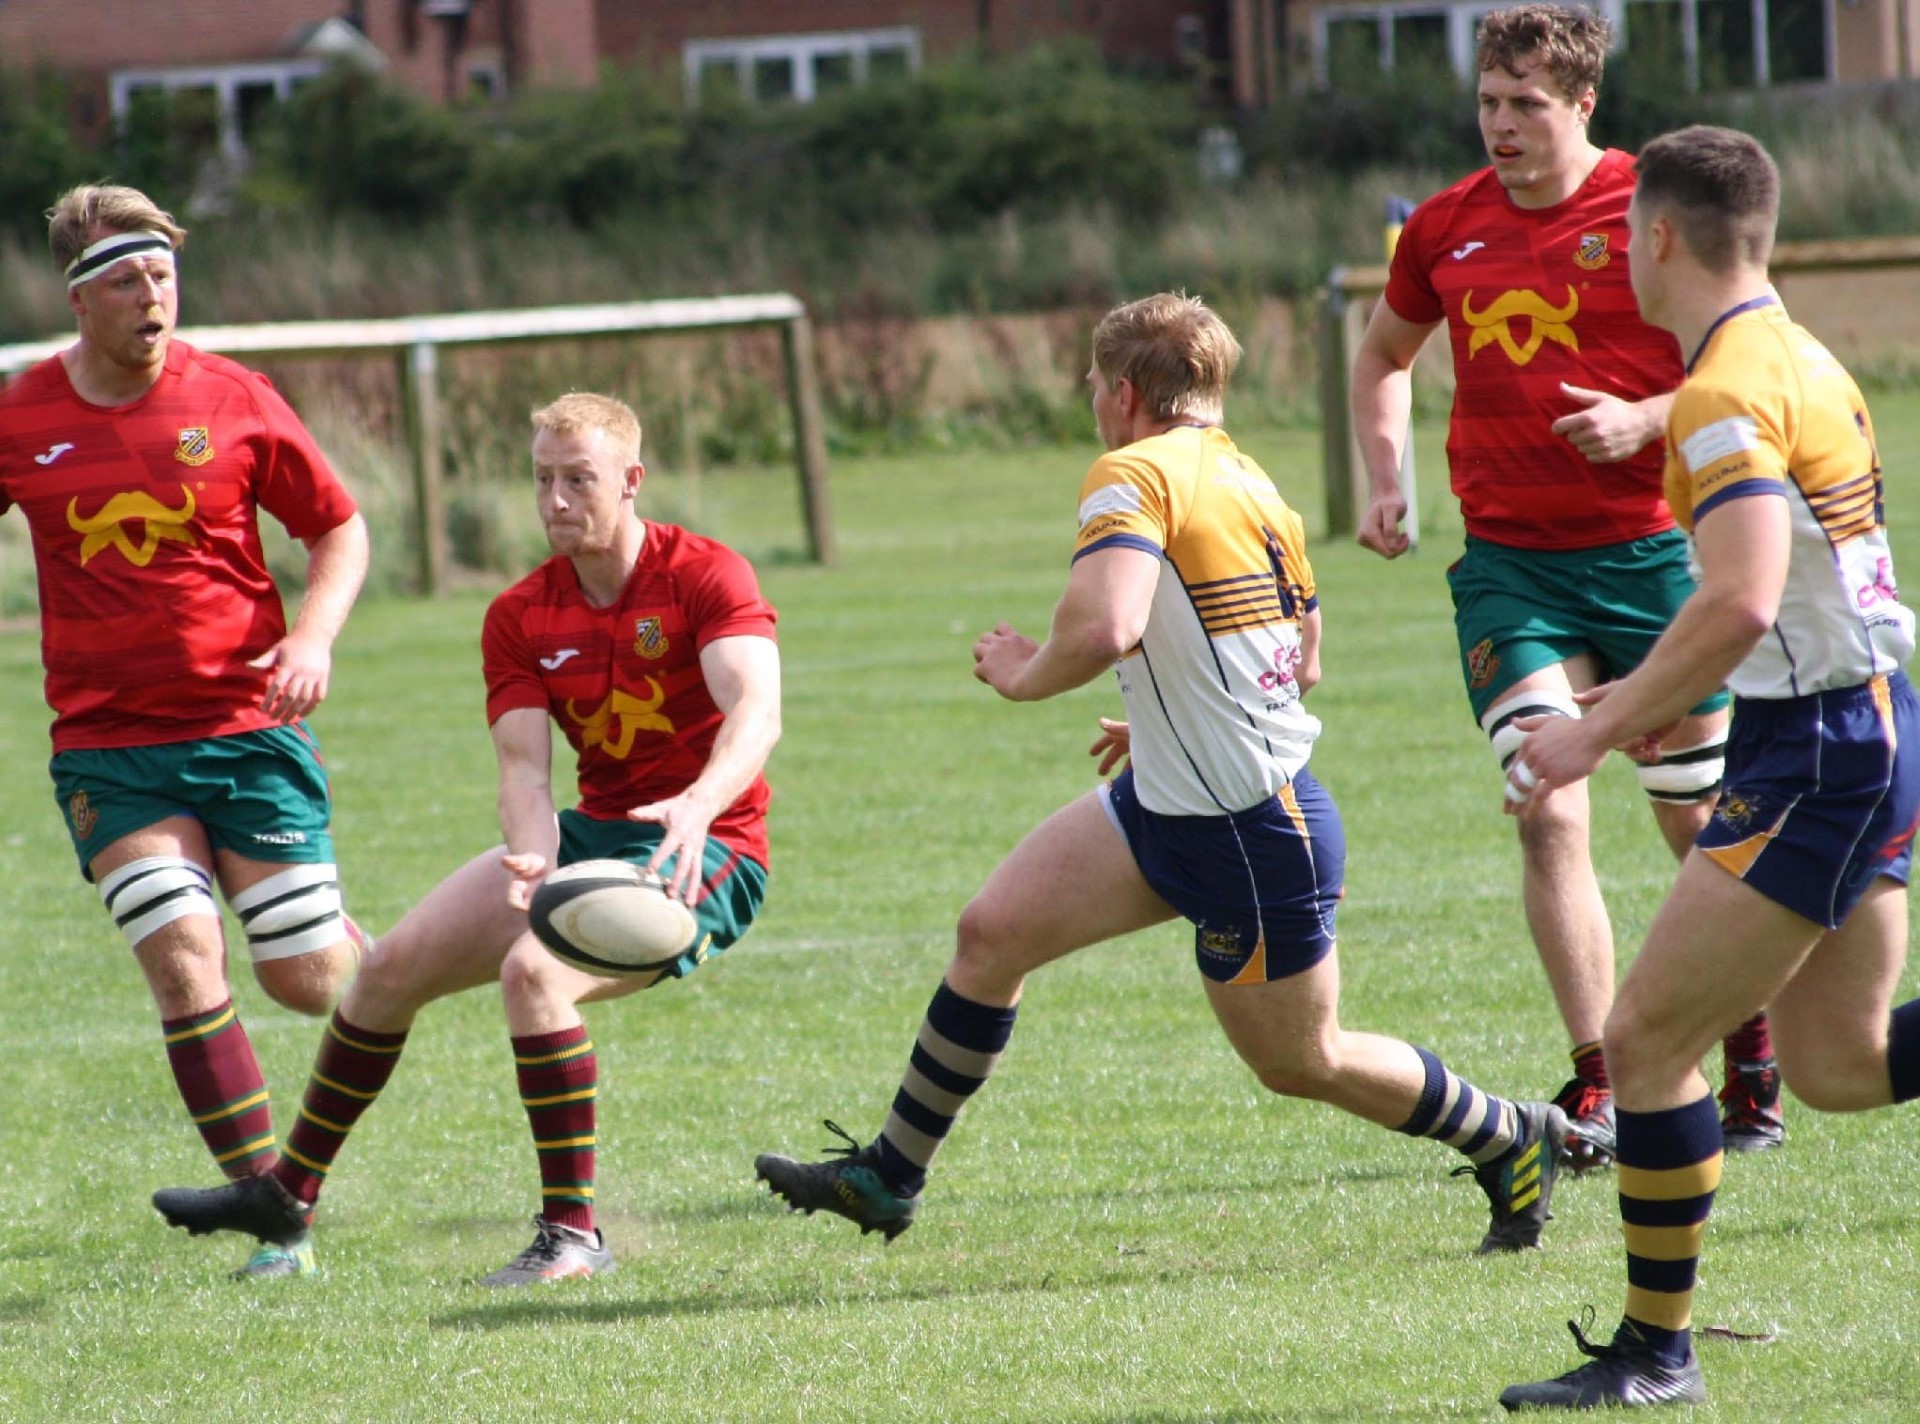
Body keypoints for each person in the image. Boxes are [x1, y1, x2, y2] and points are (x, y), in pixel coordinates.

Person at [756, 292, 1567, 1258]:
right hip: (1169, 803)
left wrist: (1023, 672)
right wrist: (1172, 722)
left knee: (1303, 1059)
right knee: (991, 935)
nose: (1094, 403)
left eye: (1094, 384)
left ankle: (1511, 1136)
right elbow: (1302, 658)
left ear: (1126, 394)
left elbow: (1108, 624)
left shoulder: (1131, 471)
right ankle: (889, 1175)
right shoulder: (1254, 484)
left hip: (1250, 831)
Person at [151, 391, 782, 1284]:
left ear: (631, 480)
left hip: (708, 851)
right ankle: (286, 1195)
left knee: (534, 974)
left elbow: (756, 710)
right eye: (543, 479)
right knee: (388, 970)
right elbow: (524, 772)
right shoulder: (520, 614)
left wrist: (699, 804)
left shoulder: (706, 575)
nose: (556, 499)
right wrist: (534, 856)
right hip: (590, 839)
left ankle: (572, 1237)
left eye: (579, 479)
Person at [1496, 125, 1920, 1411]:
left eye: (1625, 233)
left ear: (1660, 236)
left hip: (1823, 750)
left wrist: (1591, 726)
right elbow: (1769, 594)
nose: (1620, 252)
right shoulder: (1795, 353)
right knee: (1841, 1062)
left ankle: (1653, 1351)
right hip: (1861, 726)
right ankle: (1654, 1352)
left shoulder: (1727, 387)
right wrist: (1647, 699)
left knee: (1644, 1037)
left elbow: (1739, 599)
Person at [1347, 4, 1780, 1168]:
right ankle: (1604, 1082)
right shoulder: (1442, 227)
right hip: (1510, 568)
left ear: (1584, 103)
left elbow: (1760, 352)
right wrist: (1386, 477)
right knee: (1545, 801)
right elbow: (1382, 354)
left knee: (1693, 818)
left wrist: (1649, 417)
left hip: (1655, 558)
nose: (1501, 125)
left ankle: (1750, 1045)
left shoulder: (1656, 205)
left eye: (1527, 105)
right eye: (1489, 102)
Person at [0, 184, 371, 1277]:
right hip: (108, 748)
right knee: (180, 952)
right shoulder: (21, 416)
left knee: (308, 980)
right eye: (126, 278)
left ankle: (380, 957)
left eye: (162, 273)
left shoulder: (236, 397)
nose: (151, 295)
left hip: (247, 727)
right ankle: (275, 1215)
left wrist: (313, 637)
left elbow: (338, 528)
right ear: (78, 297)